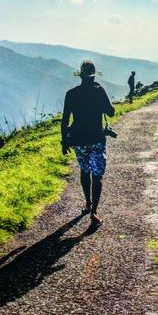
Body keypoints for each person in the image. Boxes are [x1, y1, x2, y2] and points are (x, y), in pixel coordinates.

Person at [61, 60, 115, 224]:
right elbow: (111, 112)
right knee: (97, 176)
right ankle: (94, 212)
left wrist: (64, 142)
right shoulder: (98, 91)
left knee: (85, 172)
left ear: (80, 75)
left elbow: (64, 120)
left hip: (78, 140)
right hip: (97, 139)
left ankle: (87, 203)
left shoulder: (71, 93)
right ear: (93, 75)